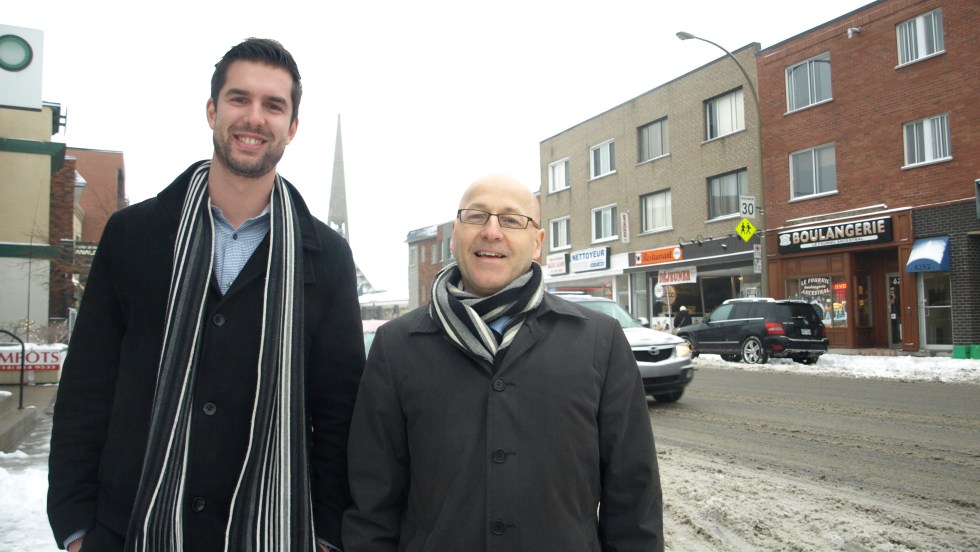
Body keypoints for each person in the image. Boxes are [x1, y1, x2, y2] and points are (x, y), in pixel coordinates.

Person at [47, 38, 364, 552]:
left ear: (292, 127)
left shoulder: (326, 256)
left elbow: (339, 410)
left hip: (274, 532)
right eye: (240, 99)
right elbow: (87, 384)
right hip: (129, 527)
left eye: (273, 105)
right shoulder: (136, 235)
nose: (254, 118)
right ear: (213, 110)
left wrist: (327, 532)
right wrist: (77, 525)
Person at [342, 174, 663, 550]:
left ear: (538, 242)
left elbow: (633, 495)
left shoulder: (599, 341)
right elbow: (372, 500)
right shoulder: (397, 346)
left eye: (511, 220)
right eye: (476, 217)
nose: (492, 231)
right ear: (456, 234)